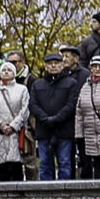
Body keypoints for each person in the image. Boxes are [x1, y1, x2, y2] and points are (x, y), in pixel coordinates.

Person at [28, 52, 79, 180]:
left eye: (56, 63)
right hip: (44, 129)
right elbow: (33, 105)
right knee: (45, 164)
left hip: (64, 129)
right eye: (50, 64)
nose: (53, 66)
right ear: (45, 66)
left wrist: (57, 118)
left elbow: (71, 104)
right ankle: (45, 194)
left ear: (62, 65)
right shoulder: (37, 84)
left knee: (65, 163)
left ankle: (64, 193)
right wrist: (45, 118)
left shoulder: (71, 83)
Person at [0, 62, 28, 181]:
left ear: (14, 73)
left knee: (16, 169)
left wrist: (13, 126)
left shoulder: (22, 89)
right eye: (3, 70)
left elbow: (25, 110)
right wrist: (0, 124)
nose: (6, 72)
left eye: (9, 70)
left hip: (15, 133)